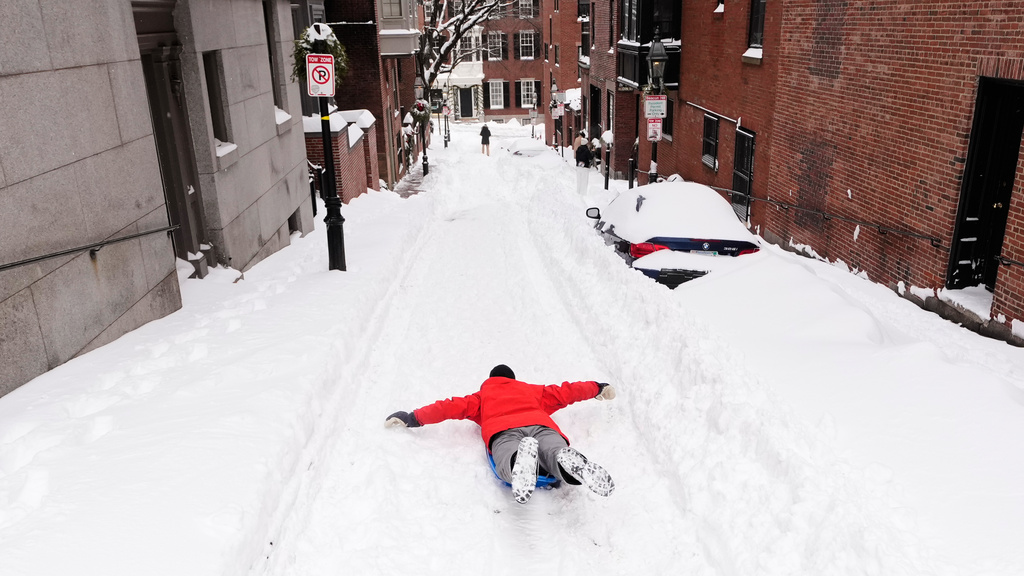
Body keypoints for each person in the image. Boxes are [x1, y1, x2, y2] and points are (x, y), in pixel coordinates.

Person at [385, 364, 616, 504]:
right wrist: (597, 388)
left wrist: (412, 418)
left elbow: (448, 407)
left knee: (507, 454)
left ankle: (519, 461)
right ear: (512, 379)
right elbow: (567, 391)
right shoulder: (533, 391)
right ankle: (564, 460)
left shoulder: (481, 397)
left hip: (503, 430)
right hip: (542, 426)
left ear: (490, 379)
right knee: (553, 448)